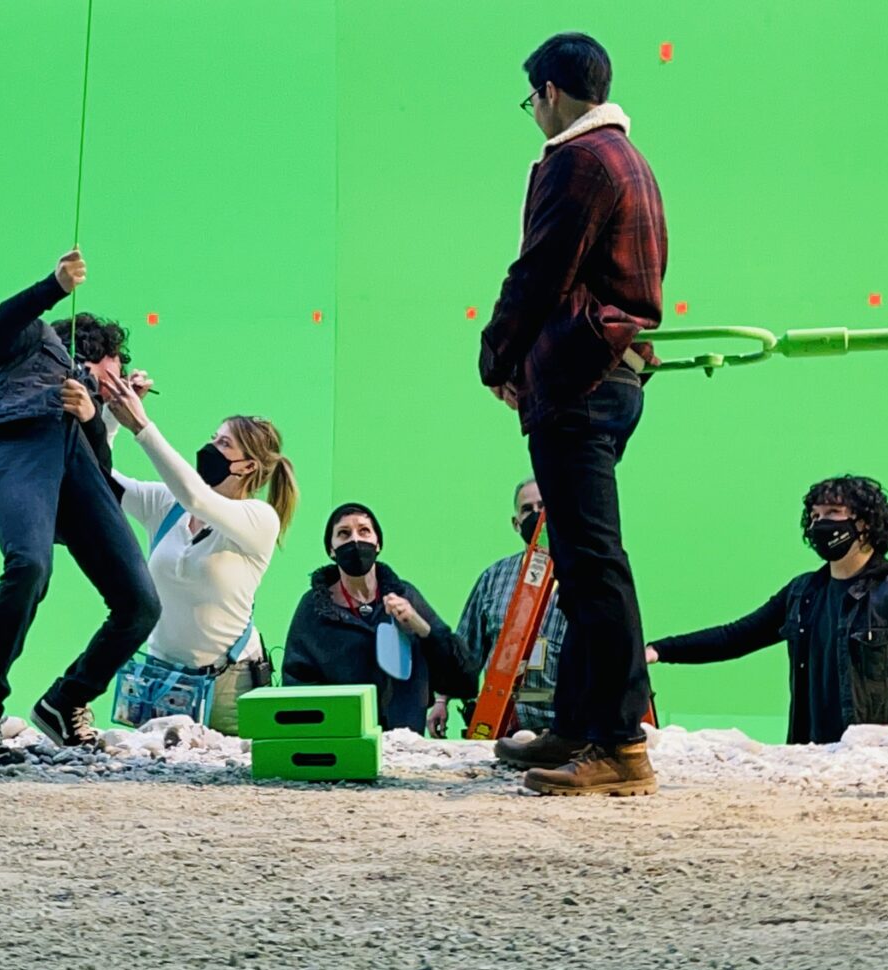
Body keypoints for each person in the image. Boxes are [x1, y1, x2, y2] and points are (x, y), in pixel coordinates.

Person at [478, 32, 668, 796]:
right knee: (587, 563)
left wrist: (497, 353)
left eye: (532, 100)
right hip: (614, 377)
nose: (534, 114)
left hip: (579, 381)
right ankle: (582, 726)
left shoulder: (578, 160)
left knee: (593, 567)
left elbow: (541, 270)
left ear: (552, 91)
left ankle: (620, 746)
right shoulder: (629, 157)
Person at [0, 249, 162, 766]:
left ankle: (64, 702)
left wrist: (96, 415)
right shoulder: (36, 339)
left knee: (140, 604)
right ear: (91, 353)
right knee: (28, 565)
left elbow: (100, 471)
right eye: (113, 373)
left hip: (71, 470)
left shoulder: (90, 394)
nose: (117, 383)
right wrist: (54, 285)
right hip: (14, 447)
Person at [646, 476, 888, 744]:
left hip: (876, 764)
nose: (819, 525)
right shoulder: (803, 593)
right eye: (814, 516)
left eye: (833, 514)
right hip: (810, 761)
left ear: (866, 524)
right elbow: (735, 637)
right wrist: (657, 650)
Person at [96, 373, 299, 735]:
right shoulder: (166, 504)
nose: (210, 448)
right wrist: (111, 414)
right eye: (213, 438)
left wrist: (141, 425)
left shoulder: (258, 519)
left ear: (248, 466)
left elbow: (198, 499)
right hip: (160, 679)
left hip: (229, 684)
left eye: (224, 444)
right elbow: (100, 476)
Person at [281, 504, 473, 734]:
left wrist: (422, 628)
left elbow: (462, 680)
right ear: (331, 550)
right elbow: (296, 684)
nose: (355, 540)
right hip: (343, 744)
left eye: (364, 531)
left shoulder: (406, 595)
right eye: (344, 533)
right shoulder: (314, 607)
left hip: (403, 742)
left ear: (378, 543)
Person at [428, 478, 564, 738]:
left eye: (544, 506)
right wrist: (441, 701)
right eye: (527, 509)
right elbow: (466, 649)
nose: (536, 515)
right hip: (499, 723)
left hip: (564, 726)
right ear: (516, 523)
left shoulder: (586, 577)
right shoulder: (494, 578)